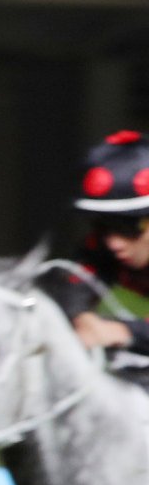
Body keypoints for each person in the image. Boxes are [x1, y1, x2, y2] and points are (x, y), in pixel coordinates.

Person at [55, 129, 149, 371]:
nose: (114, 243)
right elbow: (71, 289)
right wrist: (79, 315)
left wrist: (123, 331)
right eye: (104, 226)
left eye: (128, 226)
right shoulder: (101, 248)